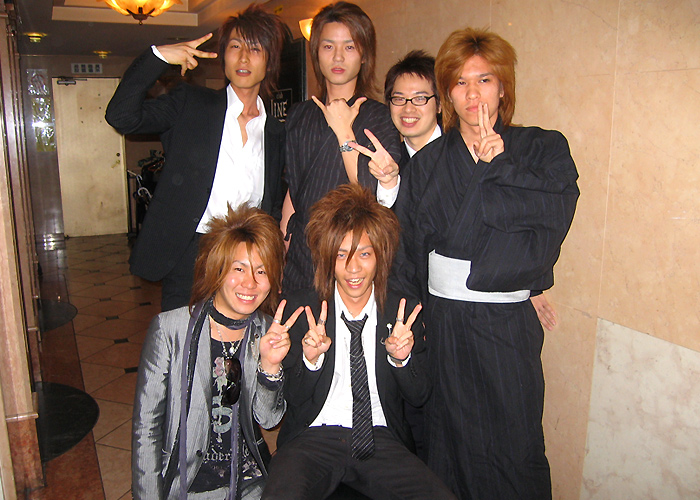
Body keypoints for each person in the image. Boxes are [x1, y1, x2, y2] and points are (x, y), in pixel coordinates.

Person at [392, 28, 580, 500]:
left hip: (506, 325)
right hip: (444, 323)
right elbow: (408, 252)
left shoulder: (541, 147)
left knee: (514, 439)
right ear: (448, 94)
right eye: (460, 82)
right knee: (447, 439)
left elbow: (555, 213)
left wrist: (502, 169)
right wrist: (410, 324)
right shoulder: (428, 164)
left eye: (484, 79)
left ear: (503, 88)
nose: (472, 92)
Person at [262, 184, 456, 500]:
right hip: (312, 440)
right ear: (327, 259)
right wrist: (311, 361)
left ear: (380, 255)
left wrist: (402, 359)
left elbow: (419, 395)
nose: (353, 268)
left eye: (364, 254)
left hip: (381, 439)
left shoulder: (401, 311)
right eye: (341, 255)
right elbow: (294, 398)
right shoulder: (303, 310)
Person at [106, 4, 288, 311]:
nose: (243, 57)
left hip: (246, 258)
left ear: (269, 61)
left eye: (255, 49)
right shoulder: (191, 104)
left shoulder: (275, 132)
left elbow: (270, 202)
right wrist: (158, 57)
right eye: (235, 46)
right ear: (224, 56)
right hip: (189, 254)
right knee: (183, 335)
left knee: (238, 336)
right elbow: (121, 116)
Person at [132, 204, 304, 500]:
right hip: (185, 482)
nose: (250, 283)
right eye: (239, 268)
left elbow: (268, 419)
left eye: (261, 271)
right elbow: (146, 430)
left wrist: (270, 367)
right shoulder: (170, 330)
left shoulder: (267, 331)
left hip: (248, 481)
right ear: (217, 269)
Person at [281, 1, 401, 294]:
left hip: (353, 258)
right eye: (328, 46)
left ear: (364, 55)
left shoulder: (379, 116)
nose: (337, 56)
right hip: (302, 257)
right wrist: (281, 252)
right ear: (316, 53)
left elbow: (375, 196)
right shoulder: (299, 115)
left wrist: (343, 130)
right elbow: (294, 190)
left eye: (349, 46)